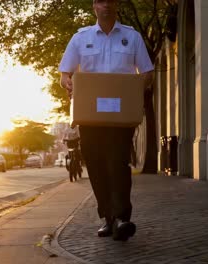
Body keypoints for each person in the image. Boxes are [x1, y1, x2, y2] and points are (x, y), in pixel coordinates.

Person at [58, 0, 154, 241]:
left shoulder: (132, 37)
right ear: (94, 6)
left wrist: (133, 92)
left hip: (120, 117)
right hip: (90, 117)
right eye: (101, 1)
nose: (107, 5)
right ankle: (108, 218)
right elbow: (64, 74)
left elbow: (147, 74)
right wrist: (68, 82)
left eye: (111, 0)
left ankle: (123, 218)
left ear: (117, 5)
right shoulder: (81, 38)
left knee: (117, 163)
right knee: (97, 166)